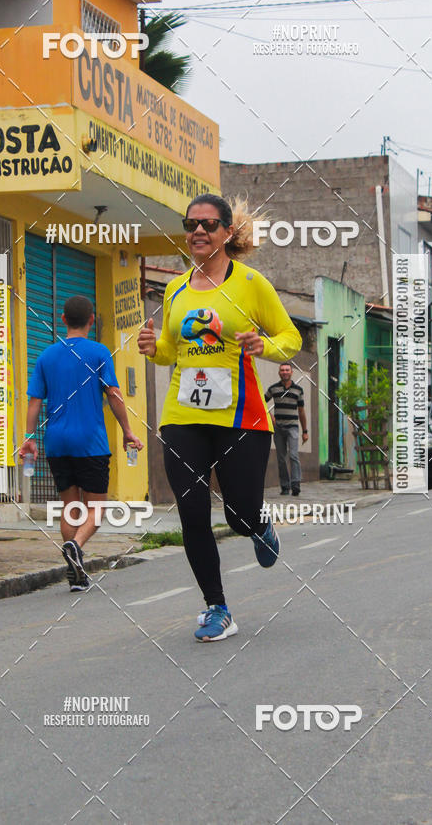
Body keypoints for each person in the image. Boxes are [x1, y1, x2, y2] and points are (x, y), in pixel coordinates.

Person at [138, 194, 301, 642]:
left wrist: (264, 346)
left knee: (239, 516)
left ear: (228, 232)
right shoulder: (176, 289)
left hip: (241, 418)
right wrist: (155, 349)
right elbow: (172, 352)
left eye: (208, 224)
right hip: (182, 416)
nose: (198, 231)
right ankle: (217, 607)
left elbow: (291, 338)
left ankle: (259, 526)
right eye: (191, 224)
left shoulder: (250, 283)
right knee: (192, 513)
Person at [19, 295, 143, 591]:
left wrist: (29, 437)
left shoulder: (47, 356)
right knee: (96, 508)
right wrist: (127, 430)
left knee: (70, 505)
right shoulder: (99, 352)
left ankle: (75, 569)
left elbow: (35, 401)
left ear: (63, 320)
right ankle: (76, 545)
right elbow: (113, 394)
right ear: (92, 321)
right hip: (90, 441)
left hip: (57, 442)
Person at [265, 362, 308, 496]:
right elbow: (261, 402)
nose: (284, 372)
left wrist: (305, 431)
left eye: (287, 370)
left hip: (293, 427)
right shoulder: (273, 389)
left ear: (291, 372)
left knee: (293, 455)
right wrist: (270, 416)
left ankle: (295, 484)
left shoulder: (298, 390)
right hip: (278, 428)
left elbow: (301, 411)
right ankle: (284, 486)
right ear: (279, 373)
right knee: (281, 458)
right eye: (282, 370)